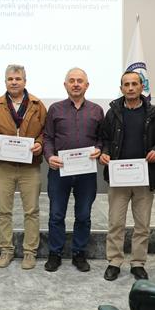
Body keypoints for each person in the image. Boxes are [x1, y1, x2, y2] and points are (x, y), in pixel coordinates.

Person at [98, 71, 155, 281]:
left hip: (144, 177)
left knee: (142, 225)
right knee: (115, 223)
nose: (130, 88)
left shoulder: (154, 113)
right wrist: (104, 152)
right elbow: (105, 139)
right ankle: (114, 261)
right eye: (126, 84)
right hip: (118, 177)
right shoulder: (112, 113)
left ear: (141, 87)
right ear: (121, 88)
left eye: (134, 84)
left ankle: (137, 263)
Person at [0, 64, 47, 269]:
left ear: (25, 81)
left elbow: (46, 132)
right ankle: (6, 250)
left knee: (32, 211)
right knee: (3, 210)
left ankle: (29, 252)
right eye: (10, 79)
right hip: (4, 166)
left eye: (18, 79)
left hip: (30, 166)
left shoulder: (37, 104)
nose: (14, 82)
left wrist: (40, 144)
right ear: (5, 82)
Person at [43, 68, 103, 273]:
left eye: (80, 81)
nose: (76, 84)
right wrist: (49, 156)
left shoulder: (97, 110)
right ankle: (55, 253)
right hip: (59, 171)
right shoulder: (55, 109)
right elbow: (48, 137)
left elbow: (102, 138)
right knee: (56, 214)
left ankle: (79, 253)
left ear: (87, 85)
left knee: (83, 215)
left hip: (86, 173)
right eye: (72, 81)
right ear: (65, 85)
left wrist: (99, 149)